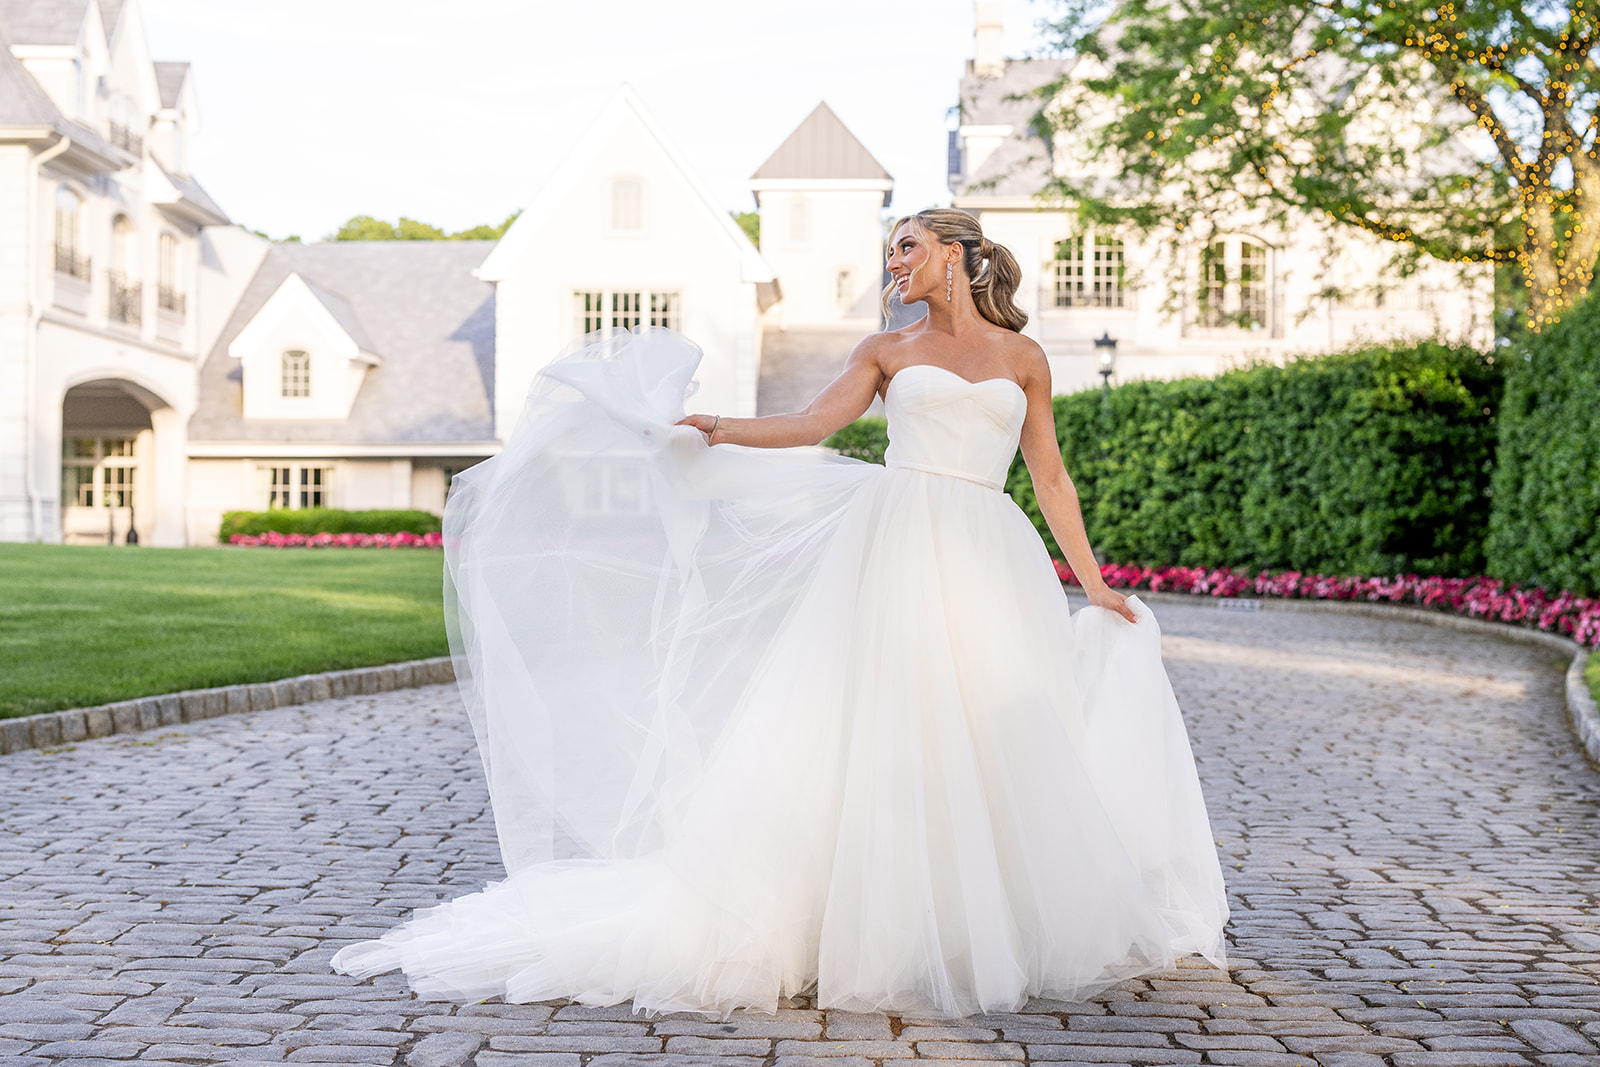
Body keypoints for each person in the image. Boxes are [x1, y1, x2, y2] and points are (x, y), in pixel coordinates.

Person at [331, 208, 1228, 1018]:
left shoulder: (1023, 359)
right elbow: (809, 424)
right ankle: (851, 924)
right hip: (900, 542)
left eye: (907, 247)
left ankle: (980, 920)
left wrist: (1095, 583)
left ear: (955, 254)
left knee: (995, 722)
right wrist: (716, 426)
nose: (894, 263)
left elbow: (1051, 477)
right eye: (890, 253)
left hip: (991, 551)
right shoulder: (886, 351)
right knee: (878, 725)